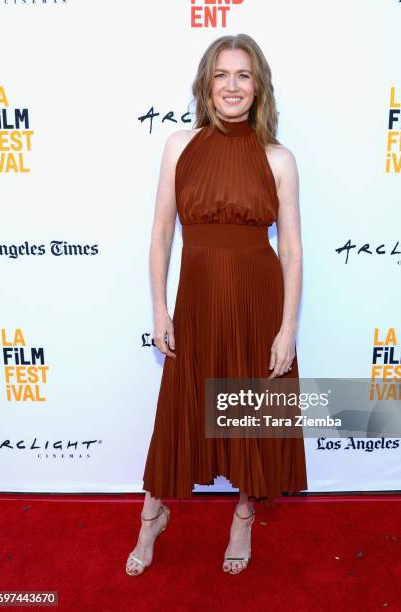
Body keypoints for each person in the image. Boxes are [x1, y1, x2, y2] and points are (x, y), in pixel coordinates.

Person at [125, 33, 308, 577]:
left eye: (243, 76)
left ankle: (244, 519)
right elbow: (160, 235)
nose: (232, 86)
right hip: (198, 302)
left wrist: (287, 329)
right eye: (222, 75)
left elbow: (294, 250)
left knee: (253, 413)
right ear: (207, 83)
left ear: (259, 87)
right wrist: (160, 310)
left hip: (258, 301)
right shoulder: (180, 146)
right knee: (180, 410)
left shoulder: (279, 159)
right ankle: (151, 516)